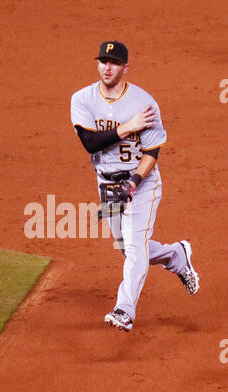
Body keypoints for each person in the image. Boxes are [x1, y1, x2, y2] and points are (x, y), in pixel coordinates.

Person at [70, 40, 199, 332]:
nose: (107, 67)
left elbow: (152, 153)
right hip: (106, 184)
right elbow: (90, 143)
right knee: (126, 247)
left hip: (141, 183)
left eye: (113, 62)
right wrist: (128, 126)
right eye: (103, 61)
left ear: (125, 68)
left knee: (136, 248)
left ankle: (124, 310)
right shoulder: (82, 99)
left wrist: (134, 182)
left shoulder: (145, 103)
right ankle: (176, 255)